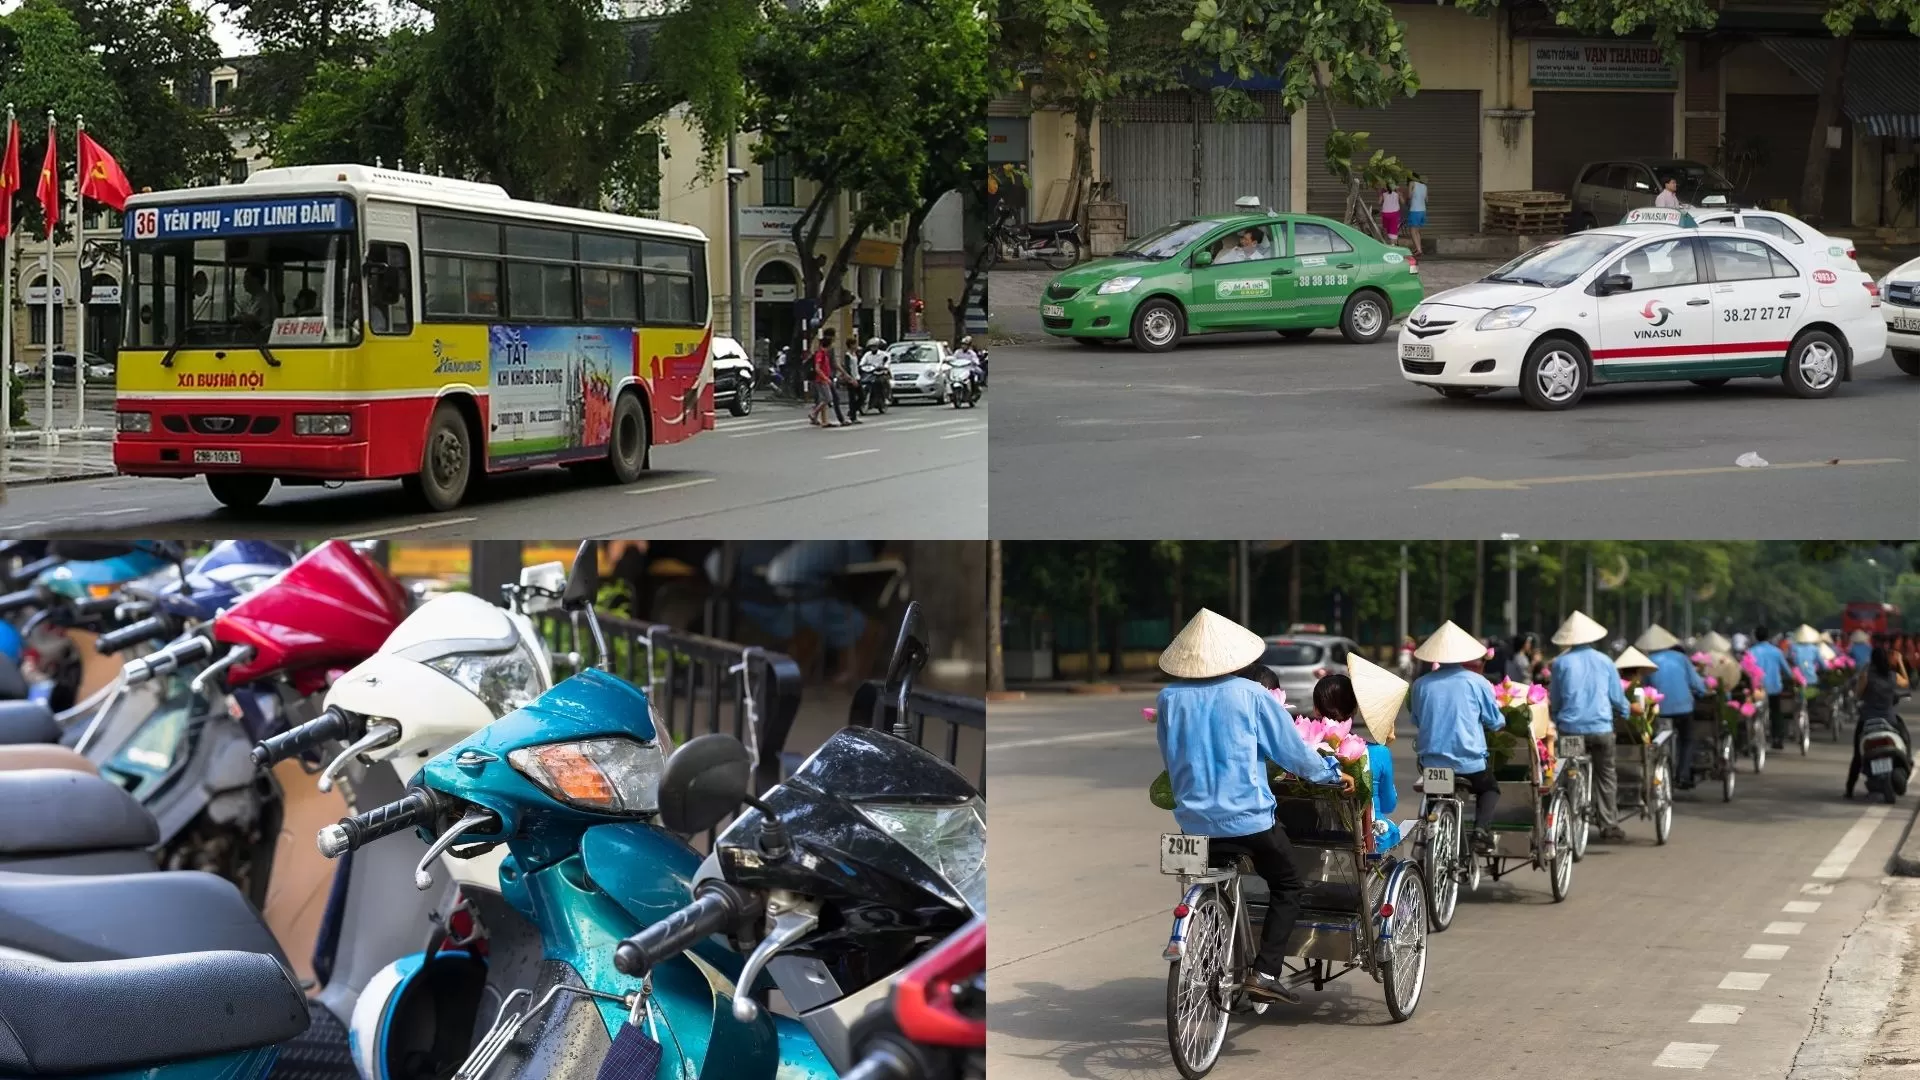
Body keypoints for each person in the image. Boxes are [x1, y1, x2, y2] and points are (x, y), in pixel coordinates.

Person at [1152, 609, 1353, 1005]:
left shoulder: (1169, 698)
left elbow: (1171, 757)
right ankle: (1264, 971)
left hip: (1193, 823)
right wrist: (1332, 774)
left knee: (1208, 879)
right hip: (1249, 821)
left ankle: (1209, 945)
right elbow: (1294, 754)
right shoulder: (1252, 695)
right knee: (1288, 882)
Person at [1410, 620, 1505, 854]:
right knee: (1489, 789)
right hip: (1469, 764)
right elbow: (1495, 720)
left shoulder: (1421, 685)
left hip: (1431, 763)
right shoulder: (1477, 682)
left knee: (1433, 797)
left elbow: (1417, 720)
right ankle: (1482, 831)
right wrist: (1498, 723)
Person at [1312, 654, 1410, 853]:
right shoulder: (1378, 753)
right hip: (1366, 842)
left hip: (1314, 839)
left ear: (1316, 710)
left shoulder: (1305, 752)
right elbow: (1390, 804)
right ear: (1355, 709)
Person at [1549, 611, 1631, 843]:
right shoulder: (1605, 661)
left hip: (1571, 730)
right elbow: (1617, 697)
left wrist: (1557, 716)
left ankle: (1565, 814)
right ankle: (1609, 824)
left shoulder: (1560, 663)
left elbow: (1555, 697)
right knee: (1606, 774)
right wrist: (1625, 712)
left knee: (1567, 771)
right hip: (1601, 730)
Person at [1639, 625, 1709, 789]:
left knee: (1657, 739)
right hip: (1684, 709)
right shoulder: (1681, 658)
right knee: (1687, 739)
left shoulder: (1648, 661)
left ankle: (1657, 772)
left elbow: (1645, 688)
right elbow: (1697, 684)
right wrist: (1701, 692)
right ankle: (1683, 775)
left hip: (1660, 710)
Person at [1847, 646, 1911, 799]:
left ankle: (1849, 789)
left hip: (1867, 720)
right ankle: (1907, 762)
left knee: (1857, 756)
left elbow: (1858, 694)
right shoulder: (1892, 675)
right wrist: (1900, 662)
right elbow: (1906, 682)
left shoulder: (1866, 675)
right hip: (1890, 720)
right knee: (1906, 739)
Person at [1748, 627, 1797, 750]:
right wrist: (1792, 678)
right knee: (1776, 712)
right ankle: (1777, 738)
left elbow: (1746, 669)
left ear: (1756, 637)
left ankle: (1752, 737)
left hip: (1757, 689)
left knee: (1754, 712)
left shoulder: (1751, 652)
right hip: (1774, 688)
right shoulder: (1776, 652)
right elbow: (1787, 670)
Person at [235, 267, 278, 340]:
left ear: (256, 280)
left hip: (262, 340)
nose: (244, 282)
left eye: (247, 278)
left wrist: (244, 318)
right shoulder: (251, 299)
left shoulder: (266, 299)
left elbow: (258, 321)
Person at [1404, 172, 1429, 256]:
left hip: (1415, 210)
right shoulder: (1424, 186)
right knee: (1417, 231)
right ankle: (1418, 248)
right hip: (1423, 210)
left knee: (1412, 231)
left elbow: (1409, 196)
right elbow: (1427, 200)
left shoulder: (1412, 183)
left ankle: (1418, 250)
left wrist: (1407, 200)